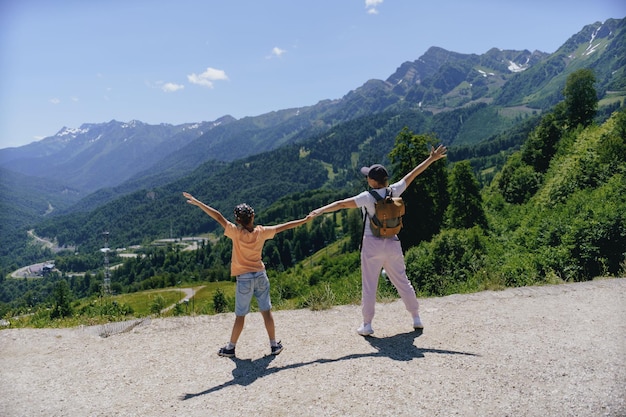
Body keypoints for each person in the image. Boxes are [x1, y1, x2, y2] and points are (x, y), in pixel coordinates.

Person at [309, 145, 447, 336]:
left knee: (369, 284)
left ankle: (367, 325)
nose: (366, 178)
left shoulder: (366, 197)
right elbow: (412, 174)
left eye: (368, 176)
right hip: (392, 242)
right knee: (402, 281)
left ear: (372, 181)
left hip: (371, 244)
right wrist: (431, 159)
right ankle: (416, 318)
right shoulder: (395, 190)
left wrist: (320, 210)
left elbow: (341, 204)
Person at [183, 192, 313, 357]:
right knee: (266, 311)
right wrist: (304, 220)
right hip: (260, 275)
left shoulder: (235, 233)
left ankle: (230, 348)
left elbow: (218, 216)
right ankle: (274, 345)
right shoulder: (262, 232)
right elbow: (285, 226)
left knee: (240, 315)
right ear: (253, 216)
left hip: (244, 278)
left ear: (238, 221)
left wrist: (198, 202)